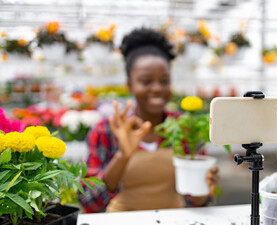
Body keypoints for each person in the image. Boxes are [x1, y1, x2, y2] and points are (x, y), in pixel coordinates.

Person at [79, 28, 219, 213]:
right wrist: (123, 156)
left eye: (164, 80)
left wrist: (204, 186)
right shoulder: (106, 131)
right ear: (130, 84)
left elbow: (197, 203)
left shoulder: (186, 128)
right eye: (146, 81)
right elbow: (89, 202)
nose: (157, 89)